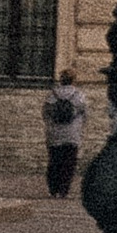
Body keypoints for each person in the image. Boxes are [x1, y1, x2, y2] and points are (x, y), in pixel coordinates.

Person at [41, 64, 89, 199]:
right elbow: (85, 114)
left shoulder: (51, 95)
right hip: (72, 135)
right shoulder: (79, 96)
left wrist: (51, 126)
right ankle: (64, 190)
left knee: (54, 161)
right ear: (74, 80)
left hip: (54, 134)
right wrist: (80, 128)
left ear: (61, 80)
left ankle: (53, 189)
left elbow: (45, 113)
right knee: (69, 163)